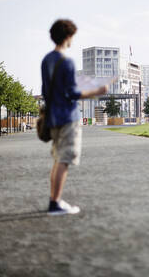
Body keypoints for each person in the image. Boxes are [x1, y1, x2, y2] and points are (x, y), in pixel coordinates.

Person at [41, 19, 108, 215]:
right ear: (68, 37)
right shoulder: (67, 62)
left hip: (52, 116)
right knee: (65, 159)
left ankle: (54, 201)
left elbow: (46, 91)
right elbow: (72, 93)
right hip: (68, 116)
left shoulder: (46, 60)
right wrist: (97, 91)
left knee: (57, 158)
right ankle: (55, 203)